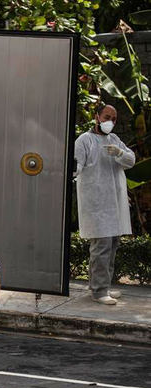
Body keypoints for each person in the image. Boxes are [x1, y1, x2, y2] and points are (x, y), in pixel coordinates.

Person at [75, 104, 135, 305]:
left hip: (113, 203)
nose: (110, 121)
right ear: (97, 117)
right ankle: (99, 291)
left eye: (114, 118)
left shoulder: (114, 140)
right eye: (107, 116)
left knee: (112, 246)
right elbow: (76, 165)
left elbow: (131, 160)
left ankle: (103, 285)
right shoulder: (85, 140)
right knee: (101, 247)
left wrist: (119, 152)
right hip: (96, 203)